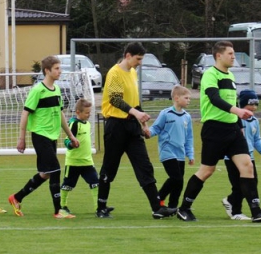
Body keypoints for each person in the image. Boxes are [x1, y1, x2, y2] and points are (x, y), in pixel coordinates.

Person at [177, 41, 261, 223]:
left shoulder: (230, 75)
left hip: (232, 129)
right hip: (214, 129)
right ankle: (184, 208)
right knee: (207, 170)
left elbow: (231, 105)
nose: (233, 57)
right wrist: (238, 111)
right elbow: (215, 99)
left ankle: (256, 212)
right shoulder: (210, 74)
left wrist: (239, 125)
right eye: (230, 54)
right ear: (219, 55)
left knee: (247, 166)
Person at [95, 42, 177, 219]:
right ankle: (101, 207)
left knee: (145, 166)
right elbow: (115, 100)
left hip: (132, 127)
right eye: (138, 59)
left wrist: (143, 125)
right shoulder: (114, 73)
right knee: (110, 168)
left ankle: (157, 208)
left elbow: (134, 102)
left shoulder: (132, 72)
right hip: (116, 126)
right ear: (128, 56)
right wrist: (136, 113)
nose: (139, 63)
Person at [8, 55, 79, 219]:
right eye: (57, 68)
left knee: (45, 173)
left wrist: (71, 136)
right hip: (40, 136)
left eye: (60, 68)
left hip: (52, 137)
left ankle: (16, 198)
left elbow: (60, 113)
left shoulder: (57, 90)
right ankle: (58, 210)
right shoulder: (37, 90)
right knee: (55, 170)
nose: (60, 71)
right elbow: (25, 113)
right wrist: (21, 137)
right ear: (47, 71)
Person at [220, 89, 261, 221]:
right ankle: (236, 211)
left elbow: (257, 139)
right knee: (239, 185)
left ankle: (231, 201)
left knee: (252, 183)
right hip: (233, 157)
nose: (254, 107)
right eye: (251, 104)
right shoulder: (236, 119)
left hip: (248, 158)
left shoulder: (255, 121)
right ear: (243, 104)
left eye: (256, 104)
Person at [146, 85, 194, 209]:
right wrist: (148, 133)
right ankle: (159, 198)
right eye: (187, 98)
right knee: (175, 178)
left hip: (180, 153)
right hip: (167, 151)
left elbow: (189, 138)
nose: (189, 100)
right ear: (177, 98)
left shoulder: (187, 117)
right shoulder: (166, 113)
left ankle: (172, 207)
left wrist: (190, 154)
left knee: (179, 182)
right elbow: (156, 128)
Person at [59, 98, 99, 216]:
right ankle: (63, 206)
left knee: (95, 183)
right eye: (86, 112)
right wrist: (71, 144)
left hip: (87, 162)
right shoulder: (74, 124)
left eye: (89, 112)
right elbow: (67, 141)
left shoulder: (88, 124)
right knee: (68, 185)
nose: (89, 114)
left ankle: (98, 207)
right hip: (73, 162)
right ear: (78, 112)